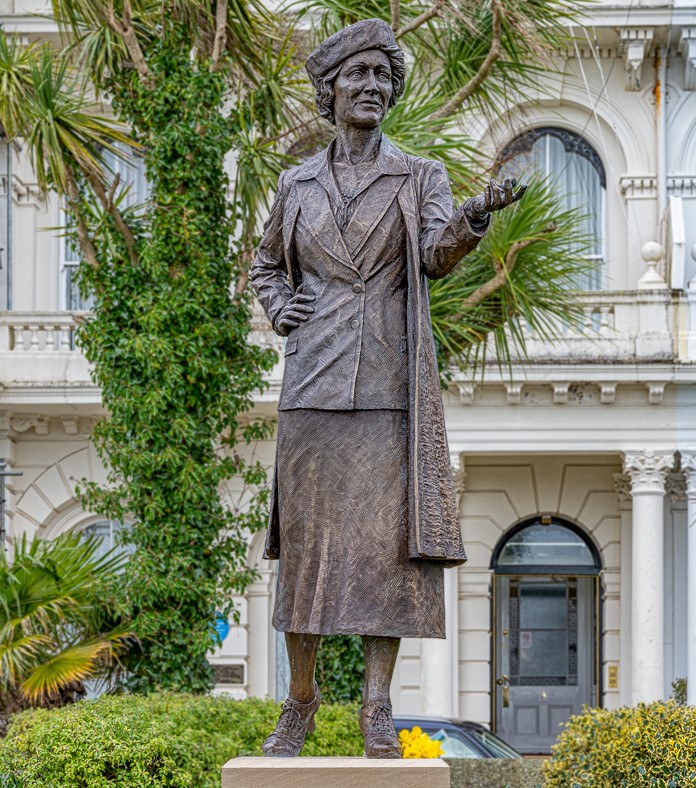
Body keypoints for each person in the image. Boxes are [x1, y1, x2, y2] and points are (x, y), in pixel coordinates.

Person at [250, 17, 525, 759]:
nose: (371, 86)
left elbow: (434, 256)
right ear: (330, 90)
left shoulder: (419, 174)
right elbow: (265, 265)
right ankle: (299, 703)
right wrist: (280, 307)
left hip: (388, 391)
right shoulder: (296, 183)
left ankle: (377, 707)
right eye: (358, 75)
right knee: (305, 557)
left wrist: (472, 217)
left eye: (383, 77)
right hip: (311, 385)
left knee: (382, 560)